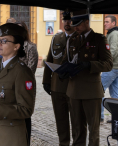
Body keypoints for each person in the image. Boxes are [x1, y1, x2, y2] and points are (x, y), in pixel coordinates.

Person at [60, 14, 113, 146]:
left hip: (91, 91)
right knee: (77, 129)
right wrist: (63, 71)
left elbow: (108, 64)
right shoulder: (72, 39)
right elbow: (65, 60)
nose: (75, 28)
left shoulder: (99, 39)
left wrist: (90, 65)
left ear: (86, 22)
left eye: (78, 25)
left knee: (93, 131)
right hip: (74, 91)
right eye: (74, 25)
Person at [43, 11, 77, 146]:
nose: (67, 23)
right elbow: (49, 59)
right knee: (61, 120)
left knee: (76, 120)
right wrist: (46, 80)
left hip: (74, 86)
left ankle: (77, 143)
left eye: (69, 20)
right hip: (57, 86)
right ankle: (63, 143)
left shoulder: (79, 38)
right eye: (65, 20)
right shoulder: (56, 38)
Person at [16, 21, 38, 145]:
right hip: (12, 87)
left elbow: (30, 70)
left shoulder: (31, 47)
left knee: (25, 116)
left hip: (25, 87)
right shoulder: (13, 46)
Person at [101, 15, 118, 123]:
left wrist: (105, 63)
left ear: (113, 23)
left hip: (112, 68)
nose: (105, 23)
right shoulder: (112, 33)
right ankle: (116, 117)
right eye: (104, 21)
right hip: (115, 67)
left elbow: (113, 50)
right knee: (115, 94)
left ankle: (100, 116)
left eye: (107, 21)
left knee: (98, 90)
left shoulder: (114, 34)